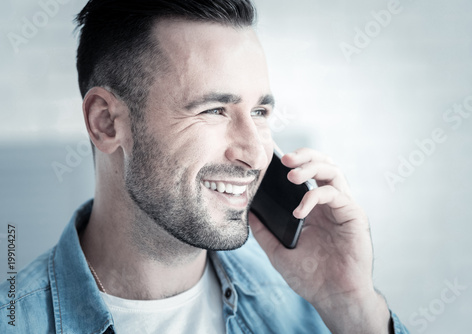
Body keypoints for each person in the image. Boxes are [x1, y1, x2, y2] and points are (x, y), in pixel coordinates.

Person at [0, 0, 409, 333]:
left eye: (261, 111)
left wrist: (353, 307)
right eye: (214, 110)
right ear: (106, 123)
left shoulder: (309, 308)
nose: (255, 154)